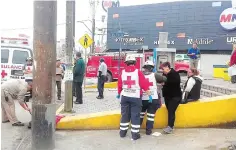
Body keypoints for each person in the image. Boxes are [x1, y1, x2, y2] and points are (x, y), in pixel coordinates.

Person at [117, 55, 152, 141]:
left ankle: (122, 132)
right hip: (135, 97)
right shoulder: (138, 72)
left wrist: (118, 93)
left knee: (125, 114)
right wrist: (149, 94)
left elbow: (119, 84)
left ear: (126, 63)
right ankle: (135, 134)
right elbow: (144, 84)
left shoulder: (122, 72)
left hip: (125, 96)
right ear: (134, 63)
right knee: (135, 115)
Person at [140, 60, 167, 135]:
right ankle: (148, 131)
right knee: (151, 116)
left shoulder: (140, 75)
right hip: (153, 98)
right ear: (152, 68)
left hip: (142, 99)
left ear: (144, 68)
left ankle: (136, 129)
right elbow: (164, 79)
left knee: (140, 115)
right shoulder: (155, 75)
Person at [161, 62, 182, 134]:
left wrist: (165, 82)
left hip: (175, 96)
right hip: (167, 96)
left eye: (163, 68)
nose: (162, 70)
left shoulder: (175, 74)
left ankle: (170, 126)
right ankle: (169, 125)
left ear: (167, 67)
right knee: (169, 110)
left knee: (171, 111)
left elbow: (175, 83)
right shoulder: (164, 74)